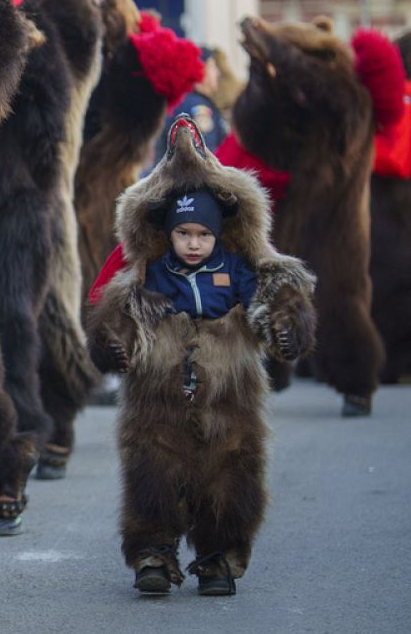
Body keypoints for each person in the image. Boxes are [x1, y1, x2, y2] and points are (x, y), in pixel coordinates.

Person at [86, 116, 316, 598]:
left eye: (203, 235)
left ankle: (220, 557)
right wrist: (115, 343)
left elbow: (271, 299)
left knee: (230, 475)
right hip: (158, 403)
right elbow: (118, 317)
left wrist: (284, 324)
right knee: (152, 474)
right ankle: (153, 553)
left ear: (219, 234)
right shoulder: (152, 273)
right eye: (184, 233)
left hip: (229, 399)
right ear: (168, 233)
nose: (194, 243)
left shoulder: (237, 268)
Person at [149, 47, 229, 169]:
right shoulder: (196, 107)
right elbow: (206, 158)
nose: (217, 73)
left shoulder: (186, 101)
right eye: (213, 67)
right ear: (201, 70)